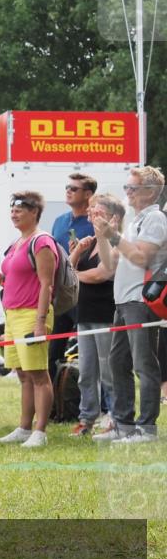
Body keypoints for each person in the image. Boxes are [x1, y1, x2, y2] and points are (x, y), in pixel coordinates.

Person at [93, 165, 167, 443]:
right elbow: (109, 265)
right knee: (118, 362)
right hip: (123, 300)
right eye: (126, 188)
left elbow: (140, 258)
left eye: (132, 188)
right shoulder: (135, 222)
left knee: (144, 363)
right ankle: (123, 424)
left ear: (150, 192)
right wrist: (102, 235)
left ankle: (146, 427)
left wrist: (113, 236)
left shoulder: (155, 219)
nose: (128, 193)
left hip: (141, 300)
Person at [0, 192, 57, 448]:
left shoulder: (42, 242)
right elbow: (9, 281)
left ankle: (40, 431)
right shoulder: (16, 244)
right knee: (23, 375)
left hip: (32, 313)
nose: (14, 213)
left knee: (38, 375)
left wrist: (40, 322)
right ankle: (24, 428)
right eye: (12, 209)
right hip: (12, 314)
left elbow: (47, 285)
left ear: (35, 212)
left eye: (20, 209)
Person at [67, 194, 121, 436]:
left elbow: (103, 274)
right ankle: (87, 418)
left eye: (96, 212)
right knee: (86, 372)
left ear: (113, 217)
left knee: (108, 372)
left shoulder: (116, 243)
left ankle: (114, 416)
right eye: (90, 212)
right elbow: (68, 272)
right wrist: (77, 251)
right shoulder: (90, 243)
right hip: (85, 314)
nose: (90, 215)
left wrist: (77, 275)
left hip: (106, 314)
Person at [49, 173, 98, 381]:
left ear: (88, 194)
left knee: (90, 353)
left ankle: (99, 405)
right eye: (67, 187)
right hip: (60, 293)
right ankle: (52, 406)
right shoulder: (60, 221)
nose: (68, 191)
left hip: (86, 295)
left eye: (74, 188)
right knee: (52, 352)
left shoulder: (94, 221)